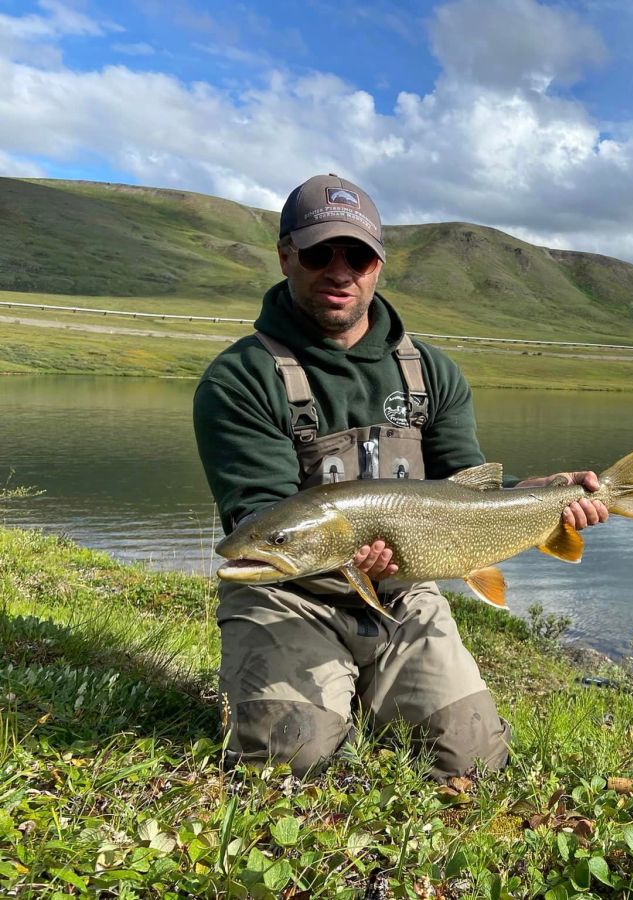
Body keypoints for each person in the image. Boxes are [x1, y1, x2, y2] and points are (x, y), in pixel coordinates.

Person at [193, 173, 608, 782]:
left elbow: (464, 483)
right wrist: (342, 556)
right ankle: (327, 692)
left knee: (472, 761)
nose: (340, 270)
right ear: (286, 256)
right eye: (318, 253)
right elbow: (259, 517)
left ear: (379, 265)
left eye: (356, 255)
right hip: (287, 596)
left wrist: (537, 495)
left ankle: (361, 690)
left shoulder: (431, 372)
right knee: (287, 759)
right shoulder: (240, 378)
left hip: (403, 594)